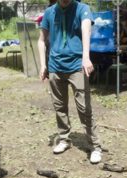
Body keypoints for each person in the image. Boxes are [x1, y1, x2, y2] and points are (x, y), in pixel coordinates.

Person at [38, 0, 102, 164]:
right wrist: (43, 64)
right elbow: (41, 40)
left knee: (84, 108)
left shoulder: (82, 8)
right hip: (55, 66)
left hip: (76, 66)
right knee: (59, 106)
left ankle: (95, 146)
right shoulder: (50, 12)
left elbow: (86, 29)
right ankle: (64, 139)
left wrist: (86, 57)